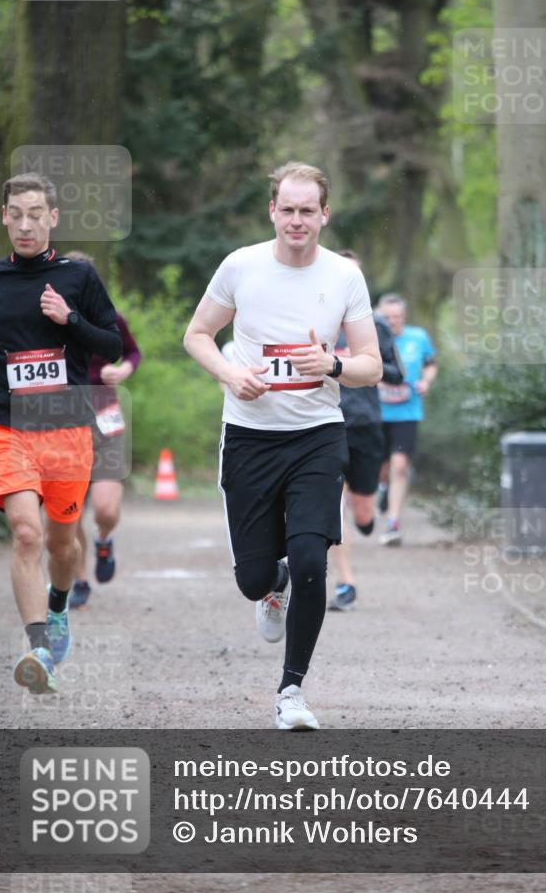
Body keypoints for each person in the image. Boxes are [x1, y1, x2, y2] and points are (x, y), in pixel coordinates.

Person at [184, 162, 381, 729]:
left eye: (307, 210)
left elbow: (370, 365)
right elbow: (197, 335)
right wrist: (228, 373)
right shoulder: (241, 267)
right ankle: (273, 586)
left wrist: (334, 364)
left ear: (325, 214)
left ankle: (291, 691)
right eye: (287, 209)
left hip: (318, 436)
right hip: (250, 437)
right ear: (272, 211)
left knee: (314, 560)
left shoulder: (344, 276)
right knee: (252, 578)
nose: (297, 220)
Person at [0, 174, 121, 694]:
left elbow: (110, 345)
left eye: (35, 213)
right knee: (25, 533)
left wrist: (70, 319)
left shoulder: (77, 278)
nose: (24, 224)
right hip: (9, 425)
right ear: (3, 216)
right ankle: (38, 646)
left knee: (63, 545)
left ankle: (58, 607)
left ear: (53, 218)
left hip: (67, 431)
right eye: (15, 213)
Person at [63, 252, 141, 609]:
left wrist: (123, 371)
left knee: (106, 509)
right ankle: (79, 580)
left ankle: (104, 539)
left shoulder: (110, 318)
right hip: (61, 420)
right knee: (71, 510)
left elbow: (132, 353)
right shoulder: (44, 322)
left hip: (105, 419)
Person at [327, 251, 404, 611]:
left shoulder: (377, 325)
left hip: (367, 424)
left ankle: (370, 515)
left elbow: (396, 373)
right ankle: (346, 582)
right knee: (332, 504)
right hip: (327, 423)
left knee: (361, 513)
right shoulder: (316, 318)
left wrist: (355, 364)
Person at [377, 293, 437, 546]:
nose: (392, 321)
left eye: (397, 317)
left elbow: (431, 364)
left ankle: (393, 524)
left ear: (404, 316)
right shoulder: (371, 337)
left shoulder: (418, 337)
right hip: (375, 414)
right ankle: (383, 487)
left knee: (399, 466)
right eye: (387, 317)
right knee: (380, 468)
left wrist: (426, 381)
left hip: (406, 413)